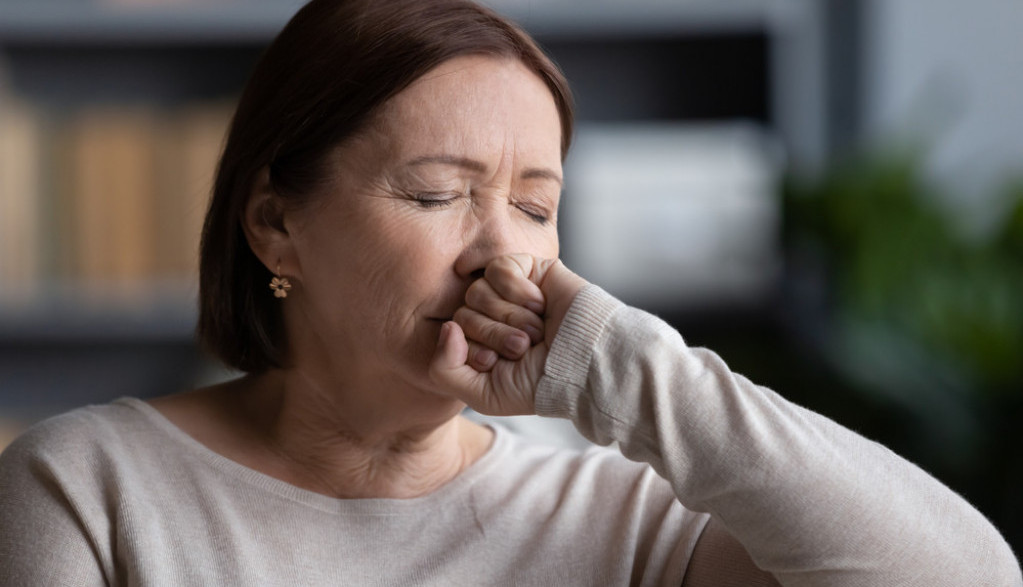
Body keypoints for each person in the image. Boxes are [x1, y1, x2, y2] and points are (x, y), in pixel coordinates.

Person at [0, 0, 1019, 584]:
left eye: (536, 209)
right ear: (276, 223)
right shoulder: (90, 487)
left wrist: (629, 368)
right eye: (438, 193)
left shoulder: (625, 517)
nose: (504, 255)